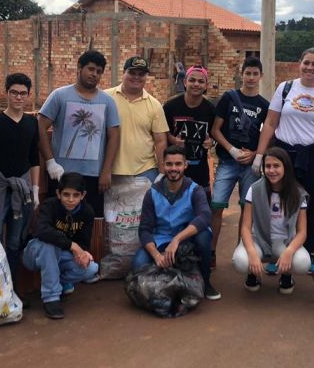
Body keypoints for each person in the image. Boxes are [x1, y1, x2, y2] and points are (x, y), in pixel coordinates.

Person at [255, 47, 314, 274]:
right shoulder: (285, 89)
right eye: (307, 63)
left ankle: (309, 253)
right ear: (299, 64)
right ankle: (279, 252)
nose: (310, 68)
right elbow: (271, 123)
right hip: (285, 154)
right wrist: (259, 155)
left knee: (312, 206)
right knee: (281, 204)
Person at [0, 73, 40, 296]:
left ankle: (13, 290)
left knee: (15, 241)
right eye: (14, 92)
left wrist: (35, 190)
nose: (18, 97)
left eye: (23, 93)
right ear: (6, 93)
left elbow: (34, 159)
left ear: (28, 96)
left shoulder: (32, 123)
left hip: (22, 189)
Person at [133, 145, 221, 300]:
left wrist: (177, 239)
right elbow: (145, 229)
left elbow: (205, 216)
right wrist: (156, 255)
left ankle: (206, 282)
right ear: (163, 165)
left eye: (178, 164)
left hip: (186, 240)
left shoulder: (195, 190)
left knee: (204, 236)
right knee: (138, 265)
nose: (173, 168)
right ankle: (166, 279)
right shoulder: (152, 193)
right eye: (169, 164)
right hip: (160, 239)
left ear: (185, 165)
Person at [38, 50, 120, 216]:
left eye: (99, 71)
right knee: (59, 220)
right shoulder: (59, 96)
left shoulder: (107, 102)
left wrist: (106, 171)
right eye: (90, 69)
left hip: (93, 176)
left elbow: (114, 137)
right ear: (79, 68)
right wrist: (50, 162)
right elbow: (39, 127)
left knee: (91, 221)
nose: (94, 74)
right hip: (62, 174)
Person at [210, 57, 269, 268]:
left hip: (250, 166)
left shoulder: (264, 105)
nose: (251, 78)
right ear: (241, 74)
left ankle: (240, 251)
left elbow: (267, 135)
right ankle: (211, 252)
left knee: (247, 209)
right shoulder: (228, 98)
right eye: (248, 73)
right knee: (216, 206)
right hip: (227, 161)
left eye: (255, 74)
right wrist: (231, 150)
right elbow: (215, 129)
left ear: (260, 76)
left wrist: (255, 155)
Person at [232, 147, 311, 294]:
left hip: (284, 241)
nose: (271, 170)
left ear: (285, 168)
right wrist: (252, 253)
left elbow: (302, 232)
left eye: (276, 166)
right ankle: (253, 274)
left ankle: (286, 275)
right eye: (268, 166)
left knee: (303, 263)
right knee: (241, 261)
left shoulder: (298, 193)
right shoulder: (254, 189)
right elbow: (245, 227)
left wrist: (290, 251)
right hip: (258, 240)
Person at [22, 172, 99, 320]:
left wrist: (83, 253)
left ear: (83, 195)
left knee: (91, 268)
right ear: (58, 193)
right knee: (50, 246)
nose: (71, 200)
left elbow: (83, 242)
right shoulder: (50, 205)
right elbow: (42, 231)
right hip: (35, 254)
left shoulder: (87, 212)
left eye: (76, 195)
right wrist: (73, 246)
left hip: (63, 254)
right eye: (66, 194)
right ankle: (51, 298)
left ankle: (55, 283)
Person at [105, 56, 169, 182]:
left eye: (141, 74)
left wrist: (162, 172)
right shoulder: (106, 98)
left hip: (145, 172)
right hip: (110, 171)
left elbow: (160, 141)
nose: (136, 77)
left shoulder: (155, 105)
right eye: (132, 73)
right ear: (123, 73)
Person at [162, 65, 216, 203]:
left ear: (206, 85)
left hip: (200, 170)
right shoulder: (170, 107)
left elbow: (214, 134)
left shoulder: (210, 110)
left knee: (201, 210)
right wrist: (173, 140)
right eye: (192, 80)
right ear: (185, 82)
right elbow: (162, 132)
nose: (196, 84)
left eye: (201, 81)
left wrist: (211, 142)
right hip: (174, 169)